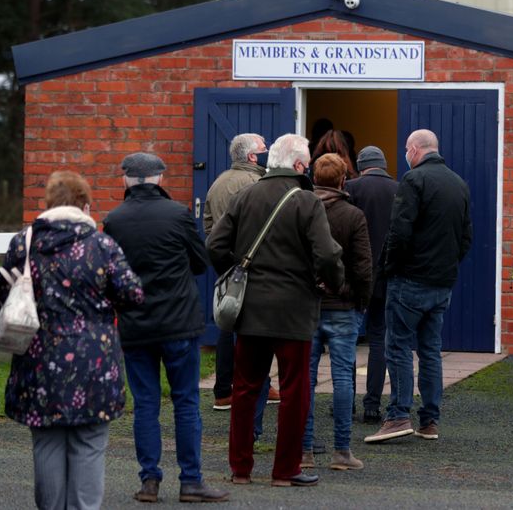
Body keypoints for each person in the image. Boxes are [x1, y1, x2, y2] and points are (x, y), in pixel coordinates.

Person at [0, 170, 144, 510]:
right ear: (86, 205)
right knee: (89, 444)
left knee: (46, 443)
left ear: (48, 203)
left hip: (38, 359)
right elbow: (133, 294)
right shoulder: (102, 245)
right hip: (94, 362)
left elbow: (3, 296)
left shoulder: (25, 243)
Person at [206, 133, 343, 488]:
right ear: (298, 165)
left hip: (250, 307)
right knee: (295, 390)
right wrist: (331, 282)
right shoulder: (307, 201)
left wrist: (236, 271)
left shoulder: (245, 195)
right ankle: (285, 470)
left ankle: (241, 469)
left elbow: (215, 245)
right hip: (294, 310)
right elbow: (327, 255)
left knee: (245, 388)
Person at [103, 153, 229, 503]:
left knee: (145, 403)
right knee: (186, 401)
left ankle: (149, 481)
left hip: (135, 323)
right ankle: (191, 481)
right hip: (178, 321)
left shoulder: (114, 220)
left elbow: (111, 273)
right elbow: (200, 262)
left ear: (125, 179)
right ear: (159, 178)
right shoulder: (178, 214)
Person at [365, 129, 472, 444]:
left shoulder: (413, 181)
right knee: (430, 350)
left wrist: (389, 269)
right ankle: (429, 420)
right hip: (442, 282)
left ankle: (398, 415)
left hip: (409, 280)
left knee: (396, 346)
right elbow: (466, 237)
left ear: (414, 150)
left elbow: (399, 231)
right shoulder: (458, 183)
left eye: (406, 150)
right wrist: (447, 266)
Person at [301, 154, 372, 471]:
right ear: (344, 180)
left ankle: (304, 450)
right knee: (343, 378)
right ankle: (342, 453)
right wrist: (359, 299)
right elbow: (363, 266)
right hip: (343, 306)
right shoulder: (353, 215)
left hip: (305, 305)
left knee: (305, 379)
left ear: (315, 178)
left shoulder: (300, 209)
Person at [202, 133, 280, 412]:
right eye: (262, 150)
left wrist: (222, 256)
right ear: (251, 157)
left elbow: (209, 225)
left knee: (228, 320)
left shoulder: (218, 182)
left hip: (226, 261)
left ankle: (224, 390)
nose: (266, 153)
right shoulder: (258, 183)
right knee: (257, 326)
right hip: (253, 262)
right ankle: (257, 384)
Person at [344, 146, 398, 423]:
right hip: (386, 275)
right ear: (383, 164)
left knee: (348, 339)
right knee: (379, 340)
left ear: (361, 165)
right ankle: (373, 405)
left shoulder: (351, 187)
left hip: (354, 276)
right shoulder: (398, 189)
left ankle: (346, 401)